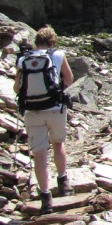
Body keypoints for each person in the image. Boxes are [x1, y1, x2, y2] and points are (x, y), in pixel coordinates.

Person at [13, 25, 74, 214]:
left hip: (32, 111)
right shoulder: (58, 55)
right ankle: (63, 183)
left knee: (39, 155)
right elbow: (69, 79)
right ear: (53, 41)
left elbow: (17, 88)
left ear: (36, 41)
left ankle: (46, 198)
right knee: (58, 144)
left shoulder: (23, 59)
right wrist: (56, 91)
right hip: (55, 109)